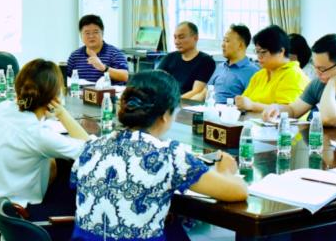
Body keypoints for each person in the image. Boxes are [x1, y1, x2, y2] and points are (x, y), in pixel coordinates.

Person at [71, 70, 247, 240]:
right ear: (165, 115)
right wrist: (226, 170)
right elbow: (238, 192)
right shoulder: (168, 154)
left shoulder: (91, 146)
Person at [0, 59, 89, 241]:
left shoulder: (3, 108)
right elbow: (93, 151)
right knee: (73, 199)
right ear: (55, 96)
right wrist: (63, 113)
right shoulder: (36, 134)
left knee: (54, 166)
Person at [235, 25, 310, 112]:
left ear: (281, 51)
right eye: (257, 52)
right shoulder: (259, 75)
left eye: (263, 52)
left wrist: (252, 105)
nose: (259, 57)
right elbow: (244, 101)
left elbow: (287, 112)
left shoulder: (294, 75)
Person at [156, 21, 216, 99]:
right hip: (164, 100)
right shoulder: (169, 57)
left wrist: (173, 102)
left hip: (186, 102)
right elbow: (155, 81)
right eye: (175, 37)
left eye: (181, 37)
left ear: (195, 38)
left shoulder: (206, 61)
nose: (176, 42)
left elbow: (197, 91)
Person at [65, 14, 129, 84]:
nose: (91, 36)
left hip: (108, 91)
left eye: (95, 32)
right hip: (80, 91)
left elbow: (125, 76)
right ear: (81, 35)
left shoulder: (115, 53)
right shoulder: (75, 56)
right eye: (87, 33)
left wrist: (104, 68)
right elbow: (64, 79)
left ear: (102, 33)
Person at [208, 24, 260, 103]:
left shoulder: (253, 72)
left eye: (227, 41)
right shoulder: (220, 67)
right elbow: (206, 92)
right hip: (210, 107)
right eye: (223, 40)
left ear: (240, 45)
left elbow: (252, 103)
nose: (222, 45)